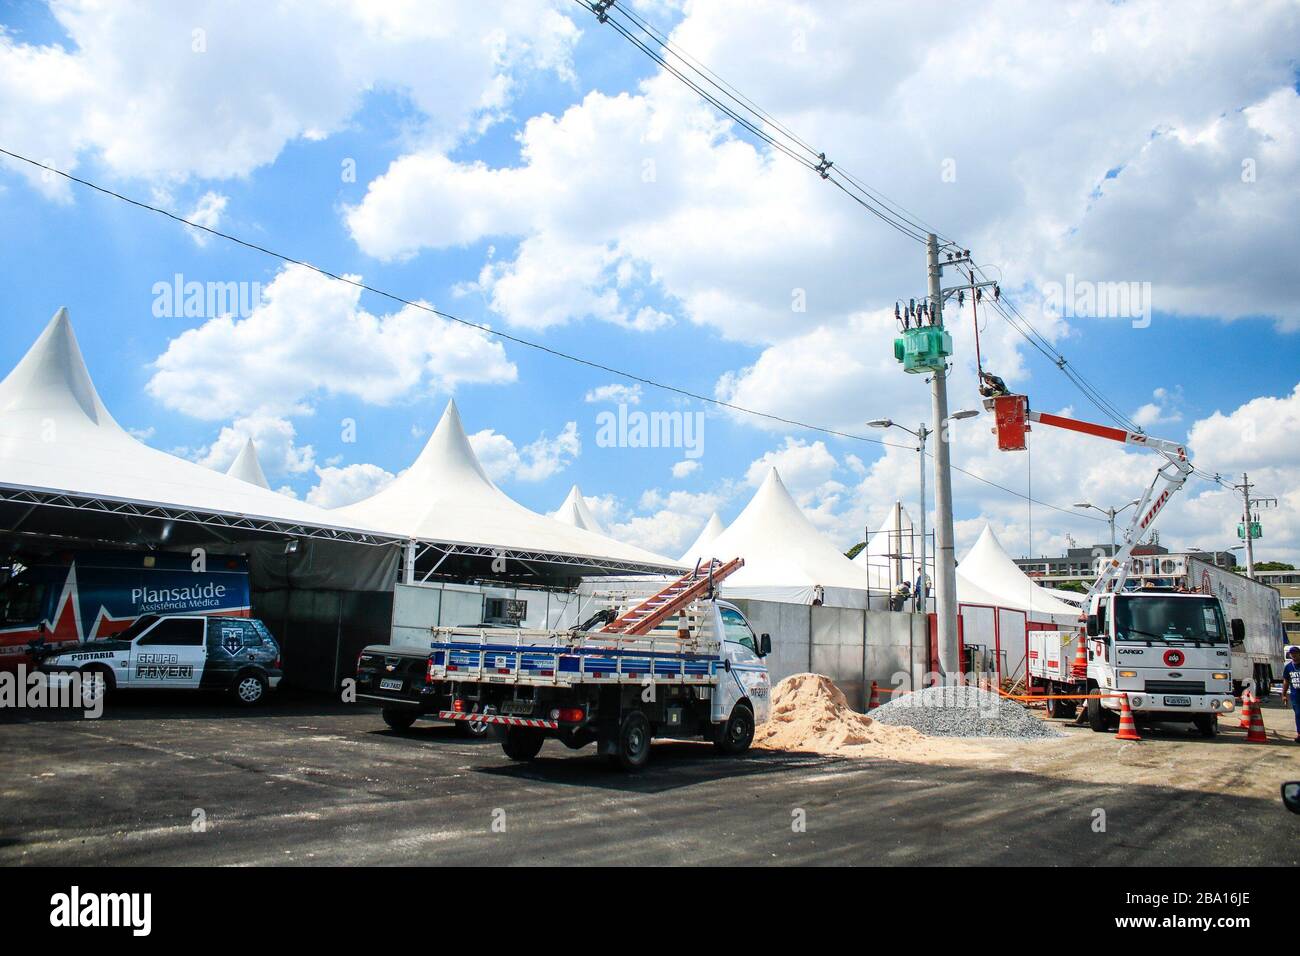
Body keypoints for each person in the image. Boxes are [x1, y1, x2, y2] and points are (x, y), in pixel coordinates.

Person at [1283, 645, 1300, 744]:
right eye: (1292, 653)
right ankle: (1299, 734)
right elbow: (1286, 681)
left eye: (1295, 653)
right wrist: (1284, 694)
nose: (1293, 655)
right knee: (1298, 714)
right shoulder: (1288, 667)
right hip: (1295, 695)